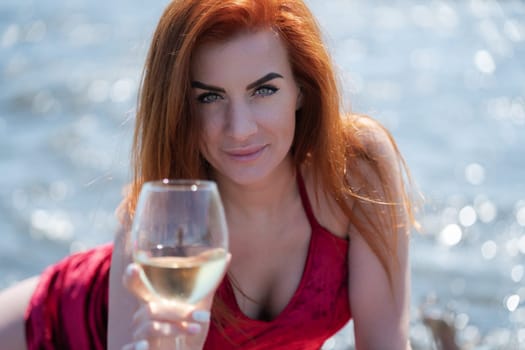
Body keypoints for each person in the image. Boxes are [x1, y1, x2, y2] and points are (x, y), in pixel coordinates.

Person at [0, 0, 415, 349]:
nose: (240, 129)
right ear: (182, 107)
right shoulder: (152, 223)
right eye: (210, 97)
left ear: (301, 87)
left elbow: (385, 342)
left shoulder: (356, 168)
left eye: (264, 90)